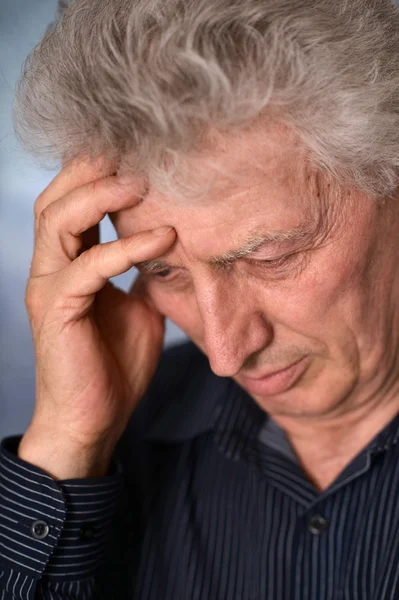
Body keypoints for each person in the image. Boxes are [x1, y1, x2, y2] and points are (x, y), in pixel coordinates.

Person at [1, 0, 399, 598]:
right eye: (163, 272)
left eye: (271, 258)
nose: (224, 352)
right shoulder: (122, 434)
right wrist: (70, 446)